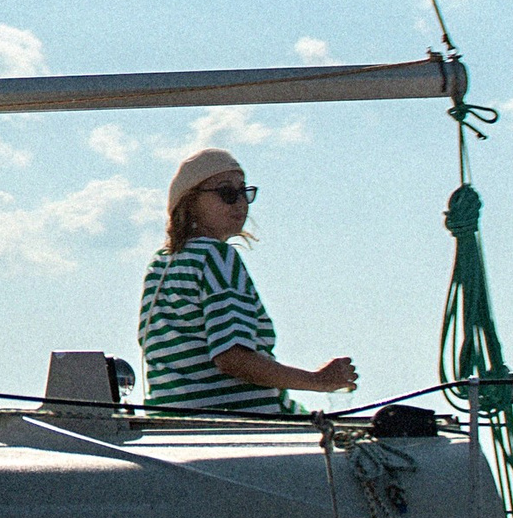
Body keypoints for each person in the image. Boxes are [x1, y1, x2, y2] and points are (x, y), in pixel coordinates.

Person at [138, 149, 357, 421]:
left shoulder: (160, 265)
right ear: (190, 201)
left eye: (245, 193)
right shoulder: (216, 257)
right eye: (227, 193)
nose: (240, 203)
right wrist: (319, 381)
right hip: (239, 424)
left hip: (172, 427)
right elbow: (232, 357)